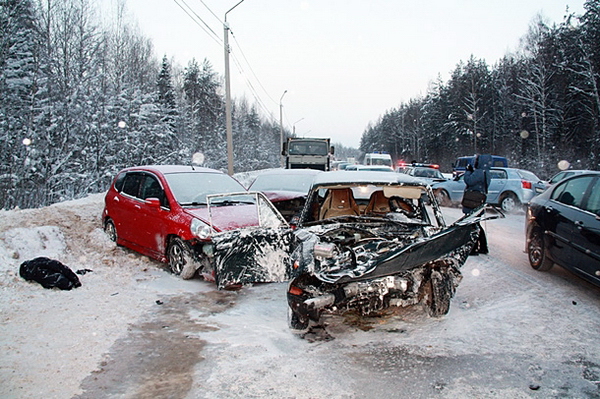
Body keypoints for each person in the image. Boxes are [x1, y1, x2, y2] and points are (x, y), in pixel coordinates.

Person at [462, 154, 492, 254]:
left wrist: (468, 171)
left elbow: (469, 181)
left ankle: (474, 247)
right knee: (475, 223)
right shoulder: (486, 172)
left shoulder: (479, 172)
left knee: (472, 224)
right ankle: (483, 246)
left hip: (473, 201)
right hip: (479, 200)